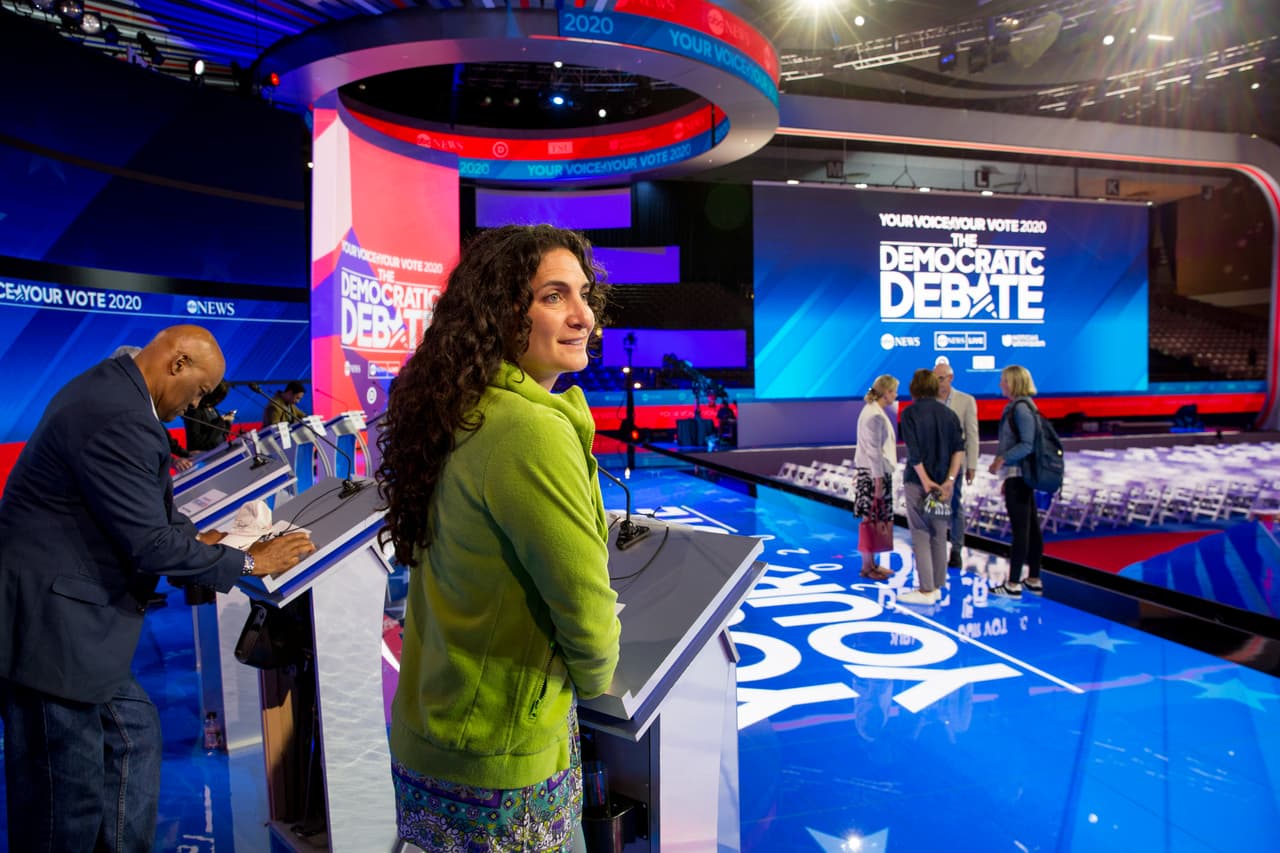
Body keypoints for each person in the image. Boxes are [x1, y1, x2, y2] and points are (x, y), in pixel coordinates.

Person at [0, 324, 316, 852]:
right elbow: (150, 545)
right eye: (198, 391)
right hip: (55, 629)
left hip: (71, 621)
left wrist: (206, 539)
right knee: (64, 802)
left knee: (135, 734)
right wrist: (248, 561)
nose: (195, 405)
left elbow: (146, 515)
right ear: (177, 364)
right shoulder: (120, 416)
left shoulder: (116, 392)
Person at [376, 225, 621, 852]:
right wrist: (596, 675)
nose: (583, 316)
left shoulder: (460, 405)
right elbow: (585, 609)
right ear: (501, 311)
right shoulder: (529, 430)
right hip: (500, 759)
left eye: (585, 295)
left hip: (431, 734)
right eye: (554, 296)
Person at [897, 368, 964, 605]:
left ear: (914, 388)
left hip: (919, 483)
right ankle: (937, 586)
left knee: (920, 532)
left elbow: (914, 454)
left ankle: (926, 590)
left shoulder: (910, 413)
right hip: (943, 486)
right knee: (939, 533)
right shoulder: (949, 414)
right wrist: (950, 481)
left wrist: (926, 481)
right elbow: (959, 450)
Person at [987, 364, 1045, 597]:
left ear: (1013, 382)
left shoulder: (1020, 408)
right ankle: (1033, 579)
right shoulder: (1024, 407)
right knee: (1030, 529)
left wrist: (1001, 460)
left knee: (1022, 530)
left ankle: (1013, 584)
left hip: (1020, 477)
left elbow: (1027, 445)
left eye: (1004, 380)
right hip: (1018, 476)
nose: (1001, 384)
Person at [852, 374, 899, 581]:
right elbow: (874, 451)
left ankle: (871, 564)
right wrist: (878, 481)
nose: (896, 395)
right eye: (894, 391)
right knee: (870, 520)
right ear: (886, 392)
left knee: (873, 518)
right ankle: (867, 566)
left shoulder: (872, 411)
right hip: (874, 474)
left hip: (872, 473)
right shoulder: (874, 415)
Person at [934, 359, 979, 568]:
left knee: (954, 506)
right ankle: (936, 547)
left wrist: (972, 466)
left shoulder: (966, 400)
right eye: (935, 379)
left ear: (950, 378)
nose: (937, 383)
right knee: (933, 506)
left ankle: (956, 549)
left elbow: (972, 434)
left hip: (956, 465)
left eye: (941, 378)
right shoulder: (929, 400)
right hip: (933, 465)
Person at [184, 380, 235, 451]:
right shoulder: (195, 411)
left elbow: (222, 434)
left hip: (221, 450)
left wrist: (228, 422)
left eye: (221, 398)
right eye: (218, 397)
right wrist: (221, 420)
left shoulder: (212, 409)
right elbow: (196, 442)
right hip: (206, 454)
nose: (219, 400)